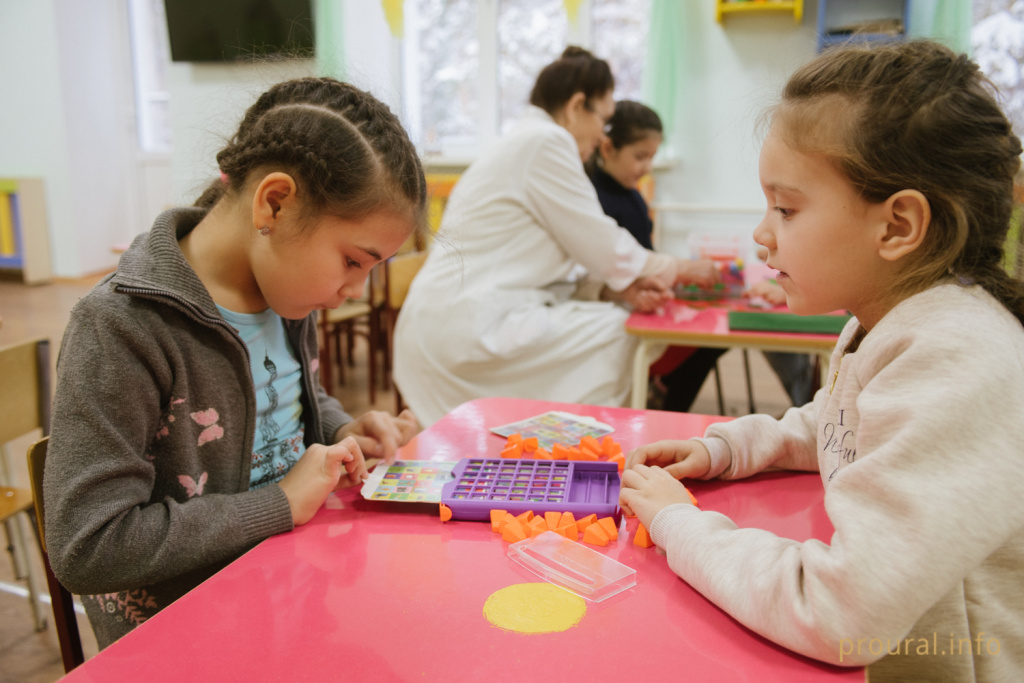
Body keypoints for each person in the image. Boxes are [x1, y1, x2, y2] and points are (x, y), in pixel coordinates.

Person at [619, 40, 1024, 682]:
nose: (763, 231)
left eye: (786, 208)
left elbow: (841, 614)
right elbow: (839, 423)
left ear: (897, 227)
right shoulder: (889, 321)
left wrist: (678, 524)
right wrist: (729, 449)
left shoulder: (958, 355)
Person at [45, 77, 425, 648]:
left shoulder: (288, 293)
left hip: (295, 601)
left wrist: (343, 427)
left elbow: (282, 398)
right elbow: (88, 545)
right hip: (187, 638)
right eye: (352, 260)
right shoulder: (121, 328)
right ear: (274, 202)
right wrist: (277, 506)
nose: (354, 289)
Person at [393, 47, 718, 426]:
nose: (602, 134)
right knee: (620, 331)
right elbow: (603, 246)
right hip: (466, 324)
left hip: (467, 313)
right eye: (604, 119)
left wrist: (614, 290)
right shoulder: (546, 142)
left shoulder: (531, 140)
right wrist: (678, 267)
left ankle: (583, 438)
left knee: (615, 320)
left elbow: (567, 260)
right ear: (577, 106)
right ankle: (594, 439)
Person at [587, 100, 726, 412]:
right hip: (626, 306)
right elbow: (614, 264)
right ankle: (664, 404)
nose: (647, 167)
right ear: (607, 148)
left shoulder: (633, 193)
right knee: (708, 339)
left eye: (652, 156)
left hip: (647, 294)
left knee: (717, 333)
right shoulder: (594, 199)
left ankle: (663, 394)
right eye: (640, 156)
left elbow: (644, 253)